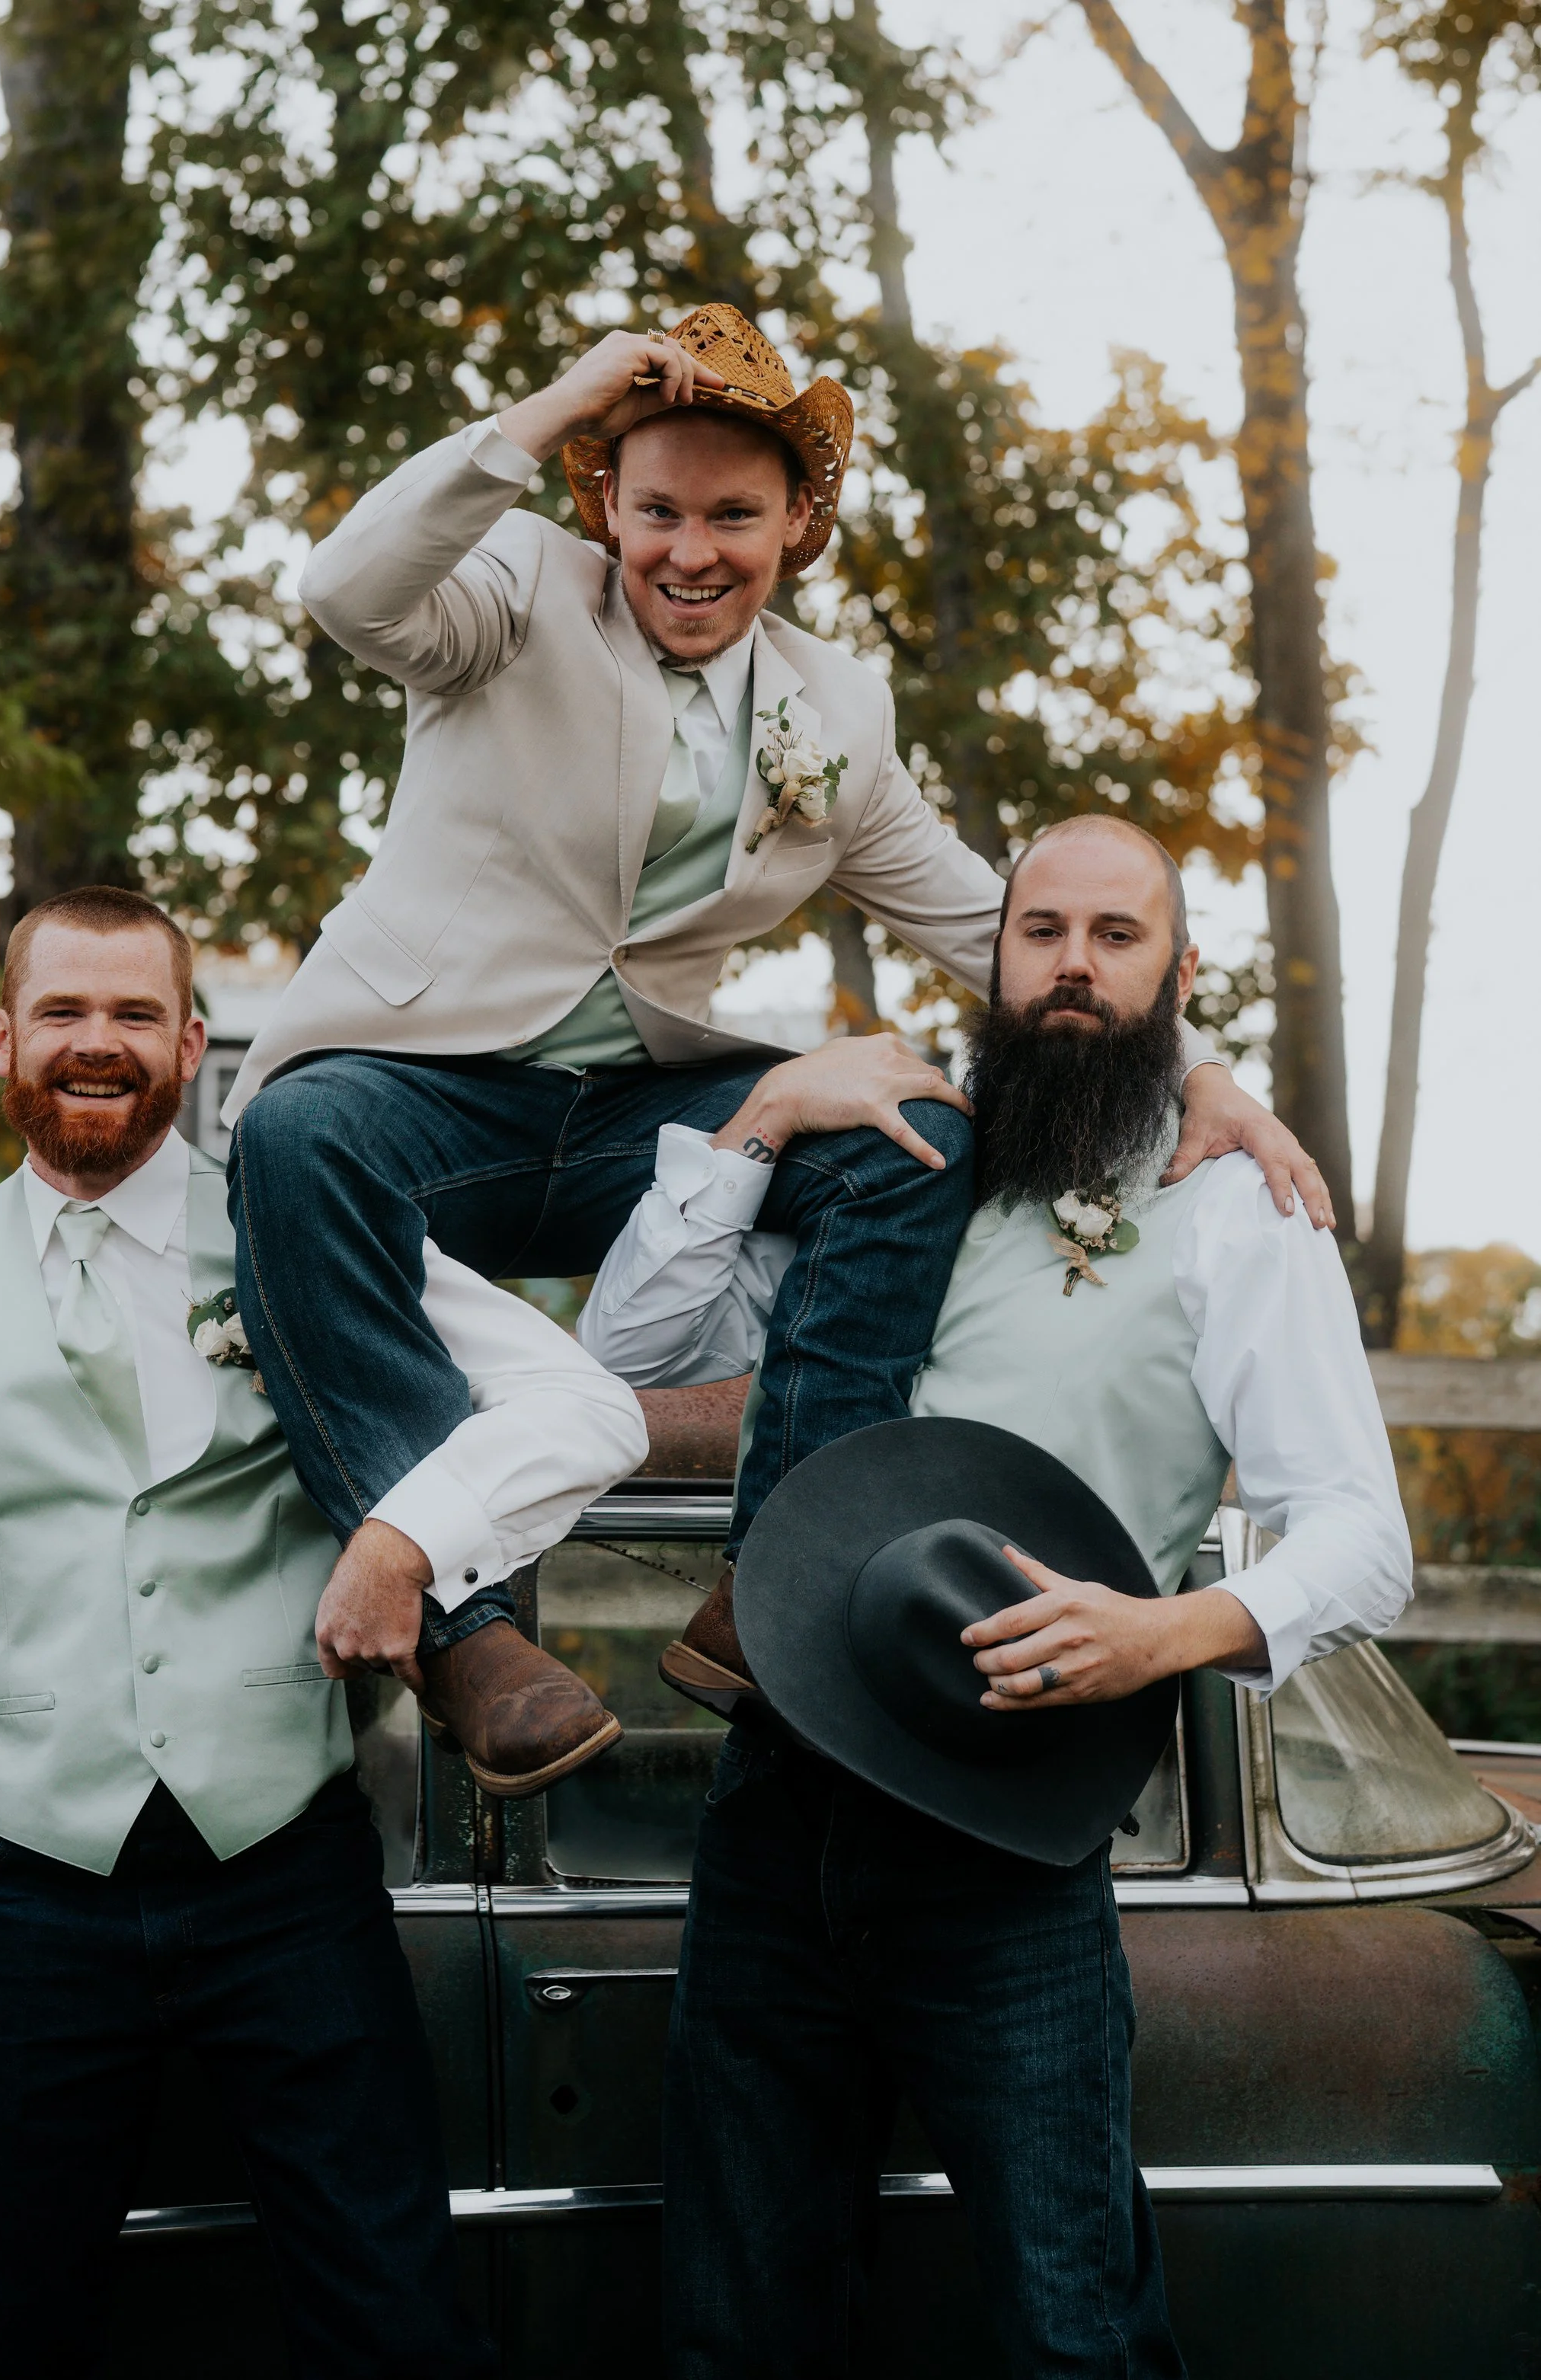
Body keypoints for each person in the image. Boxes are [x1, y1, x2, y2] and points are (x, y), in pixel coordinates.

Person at [217, 302, 1328, 1792]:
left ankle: (780, 1567)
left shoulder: (835, 709)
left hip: (634, 1110)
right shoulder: (515, 593)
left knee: (910, 1129)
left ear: (795, 523)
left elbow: (985, 918)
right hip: (425, 1086)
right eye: (655, 507)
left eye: (732, 515)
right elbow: (346, 586)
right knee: (292, 1137)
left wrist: (1194, 1068)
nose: (690, 550)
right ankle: (462, 1628)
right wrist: (562, 399)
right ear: (602, 498)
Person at [0, 885, 646, 2380]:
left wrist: (403, 1534)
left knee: (391, 2312)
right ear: (2, 1037)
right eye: (60, 1011)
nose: (93, 1044)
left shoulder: (300, 1238)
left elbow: (587, 1408)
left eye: (128, 1013)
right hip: (27, 1891)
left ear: (189, 1039)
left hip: (283, 1878)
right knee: (4, 2326)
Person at [578, 815, 1413, 2378]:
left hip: (1011, 1843)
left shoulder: (1230, 1202)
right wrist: (760, 1115)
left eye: (1115, 935)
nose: (1072, 967)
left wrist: (1162, 1633)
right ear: (990, 955)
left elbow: (1360, 1534)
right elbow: (621, 1362)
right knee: (735, 2327)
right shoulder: (887, 1163)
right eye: (1039, 932)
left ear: (1175, 971)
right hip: (772, 1811)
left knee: (1069, 2329)